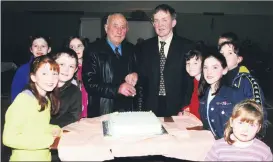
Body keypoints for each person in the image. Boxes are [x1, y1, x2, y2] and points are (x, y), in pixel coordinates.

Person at [137, 4, 194, 117]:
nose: (160, 25)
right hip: (150, 107)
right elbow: (142, 81)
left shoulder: (187, 46)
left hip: (178, 108)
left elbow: (190, 82)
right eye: (156, 21)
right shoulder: (145, 47)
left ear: (173, 23)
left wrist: (186, 107)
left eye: (164, 20)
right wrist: (140, 109)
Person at [82, 13, 143, 117]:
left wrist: (137, 75)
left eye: (123, 27)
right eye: (115, 26)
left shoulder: (132, 49)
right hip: (103, 111)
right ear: (106, 28)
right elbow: (90, 84)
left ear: (127, 30)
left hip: (129, 112)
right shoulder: (92, 50)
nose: (119, 31)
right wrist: (117, 89)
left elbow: (142, 78)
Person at [3, 55, 61, 161]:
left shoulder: (46, 100)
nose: (51, 79)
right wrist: (46, 140)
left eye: (54, 74)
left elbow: (35, 127)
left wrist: (52, 128)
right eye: (44, 73)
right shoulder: (24, 100)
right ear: (33, 77)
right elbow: (9, 138)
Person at [219, 41, 268, 138]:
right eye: (221, 53)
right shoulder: (215, 80)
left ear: (239, 59)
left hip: (241, 137)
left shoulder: (247, 81)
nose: (224, 56)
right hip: (219, 137)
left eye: (229, 53)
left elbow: (259, 113)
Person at [198, 49, 246, 139]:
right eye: (205, 67)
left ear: (224, 70)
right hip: (213, 146)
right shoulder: (204, 95)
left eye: (215, 67)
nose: (209, 72)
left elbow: (247, 124)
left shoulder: (234, 94)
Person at [205, 99, 273, 161]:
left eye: (252, 125)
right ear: (231, 122)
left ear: (258, 128)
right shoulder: (218, 146)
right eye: (240, 123)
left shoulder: (264, 150)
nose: (245, 130)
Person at [11, 35, 52, 102]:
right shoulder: (23, 70)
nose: (39, 49)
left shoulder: (53, 68)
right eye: (35, 46)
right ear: (31, 49)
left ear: (49, 49)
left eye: (43, 46)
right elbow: (15, 97)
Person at [50, 48, 82, 127]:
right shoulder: (40, 87)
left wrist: (52, 127)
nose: (66, 69)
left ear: (75, 70)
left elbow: (74, 116)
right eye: (62, 64)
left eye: (71, 66)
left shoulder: (75, 91)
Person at [64, 36, 89, 118]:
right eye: (72, 47)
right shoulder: (64, 69)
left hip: (90, 110)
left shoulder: (92, 67)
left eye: (79, 46)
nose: (76, 49)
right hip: (72, 112)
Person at [178, 49, 203, 120]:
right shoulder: (194, 80)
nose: (191, 67)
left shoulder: (207, 84)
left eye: (195, 63)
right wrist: (185, 109)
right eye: (188, 63)